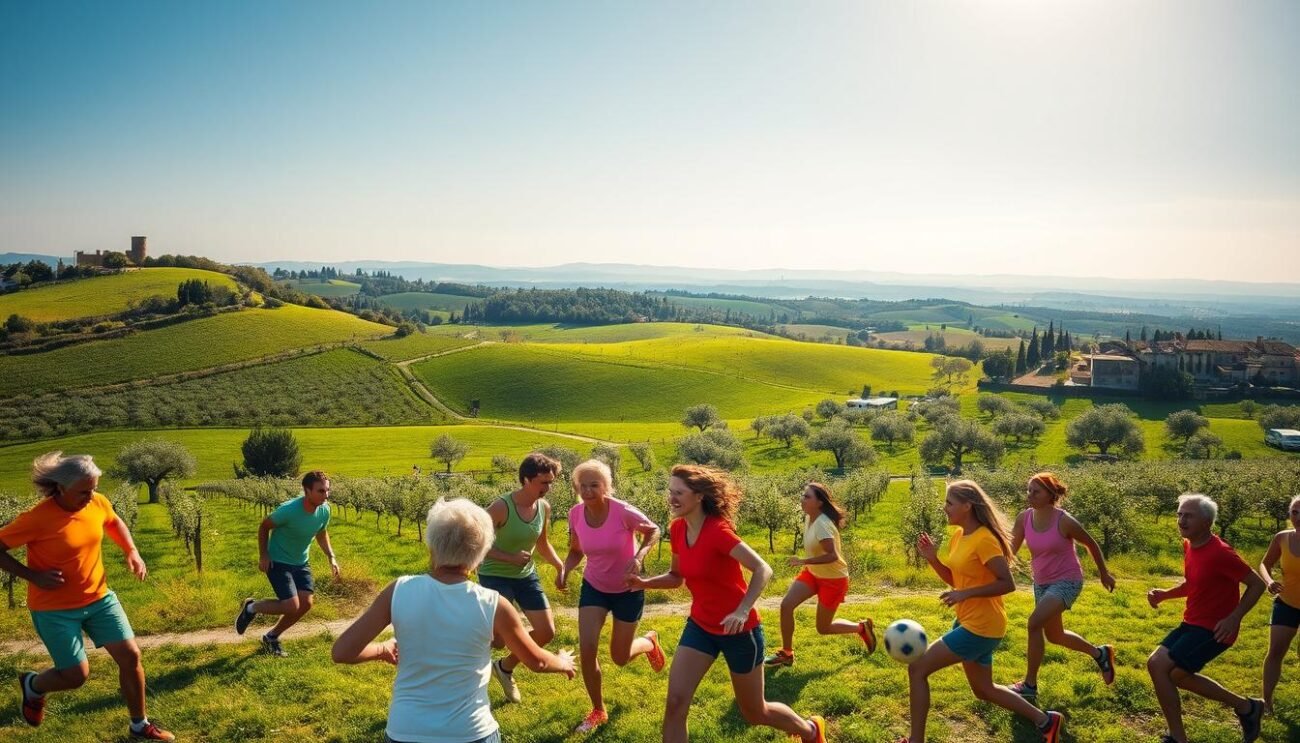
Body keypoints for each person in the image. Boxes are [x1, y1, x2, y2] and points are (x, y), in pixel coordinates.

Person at [332, 497, 575, 743]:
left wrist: (382, 649)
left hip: (405, 731)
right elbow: (537, 661)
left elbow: (342, 651)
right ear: (481, 555)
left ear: (431, 546)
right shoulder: (494, 604)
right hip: (471, 732)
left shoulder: (399, 590)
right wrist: (563, 662)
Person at [627, 464, 827, 743]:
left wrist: (742, 610)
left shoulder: (718, 531)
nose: (671, 498)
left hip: (740, 632)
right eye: (670, 491)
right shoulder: (678, 528)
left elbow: (763, 569)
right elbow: (676, 577)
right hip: (700, 627)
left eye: (679, 493)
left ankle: (811, 730)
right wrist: (644, 583)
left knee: (755, 712)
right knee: (675, 703)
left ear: (699, 496)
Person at [0, 452, 175, 740]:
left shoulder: (96, 502)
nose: (91, 496)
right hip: (54, 609)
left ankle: (139, 725)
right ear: (61, 487)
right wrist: (33, 576)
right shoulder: (36, 519)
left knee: (131, 656)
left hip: (99, 599)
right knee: (75, 676)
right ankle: (34, 686)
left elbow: (113, 521)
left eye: (93, 489)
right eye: (84, 491)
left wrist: (131, 551)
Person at [901, 479, 1064, 743]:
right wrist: (933, 559)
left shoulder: (985, 540)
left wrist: (965, 594)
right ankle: (1047, 721)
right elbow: (957, 580)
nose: (945, 508)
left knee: (917, 669)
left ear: (967, 506)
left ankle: (915, 740)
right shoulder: (959, 536)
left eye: (949, 503)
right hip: (971, 621)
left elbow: (1007, 583)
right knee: (984, 690)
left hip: (982, 626)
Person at [1147, 493, 1266, 743]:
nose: (1181, 520)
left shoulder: (1221, 553)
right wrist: (1165, 595)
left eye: (1188, 515)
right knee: (1162, 667)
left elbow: (1257, 584)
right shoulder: (1189, 545)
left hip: (1216, 629)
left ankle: (1179, 738)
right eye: (1179, 514)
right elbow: (1193, 583)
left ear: (1206, 522)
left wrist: (1234, 618)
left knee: (1166, 670)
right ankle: (1247, 707)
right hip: (1192, 622)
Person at [559, 459, 665, 733]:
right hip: (594, 587)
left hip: (628, 589)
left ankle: (649, 642)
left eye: (594, 485)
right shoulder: (575, 514)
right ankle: (598, 710)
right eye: (582, 485)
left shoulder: (622, 511)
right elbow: (576, 551)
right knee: (587, 650)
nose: (587, 490)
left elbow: (654, 530)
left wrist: (640, 556)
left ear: (606, 487)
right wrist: (565, 570)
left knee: (620, 657)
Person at [1007, 472, 1117, 698]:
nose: (1030, 495)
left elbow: (1091, 543)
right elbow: (1009, 551)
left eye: (1036, 491)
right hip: (1042, 583)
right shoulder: (1024, 518)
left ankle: (1029, 686)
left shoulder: (1064, 521)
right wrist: (993, 570)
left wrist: (1104, 573)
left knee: (1034, 623)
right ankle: (1100, 654)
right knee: (1055, 636)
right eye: (1028, 490)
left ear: (1051, 495)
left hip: (1067, 580)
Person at [478, 452, 566, 703]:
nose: (548, 488)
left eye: (551, 482)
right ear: (526, 480)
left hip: (525, 576)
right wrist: (509, 557)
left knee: (546, 632)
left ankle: (504, 668)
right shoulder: (500, 507)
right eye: (543, 482)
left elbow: (543, 543)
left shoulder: (543, 507)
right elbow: (475, 544)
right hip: (494, 575)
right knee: (498, 640)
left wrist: (559, 566)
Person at [765, 481, 876, 669]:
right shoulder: (810, 517)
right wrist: (807, 564)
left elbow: (833, 556)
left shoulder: (823, 524)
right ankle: (787, 654)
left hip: (833, 579)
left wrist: (803, 561)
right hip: (813, 574)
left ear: (819, 503)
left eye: (807, 496)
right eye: (803, 495)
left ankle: (861, 627)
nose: (802, 499)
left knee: (823, 628)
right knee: (786, 605)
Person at [234, 470, 339, 656]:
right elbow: (264, 526)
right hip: (278, 561)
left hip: (301, 562)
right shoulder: (289, 510)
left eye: (327, 490)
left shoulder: (325, 510)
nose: (326, 495)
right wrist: (264, 555)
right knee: (291, 606)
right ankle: (251, 608)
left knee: (306, 604)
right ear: (307, 491)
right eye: (321, 491)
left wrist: (331, 556)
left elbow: (321, 532)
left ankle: (271, 636)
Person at [1258, 494, 1300, 713]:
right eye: (1295, 512)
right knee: (1275, 652)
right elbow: (1265, 564)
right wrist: (1269, 581)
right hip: (1286, 603)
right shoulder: (1282, 538)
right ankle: (1267, 703)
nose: (1298, 517)